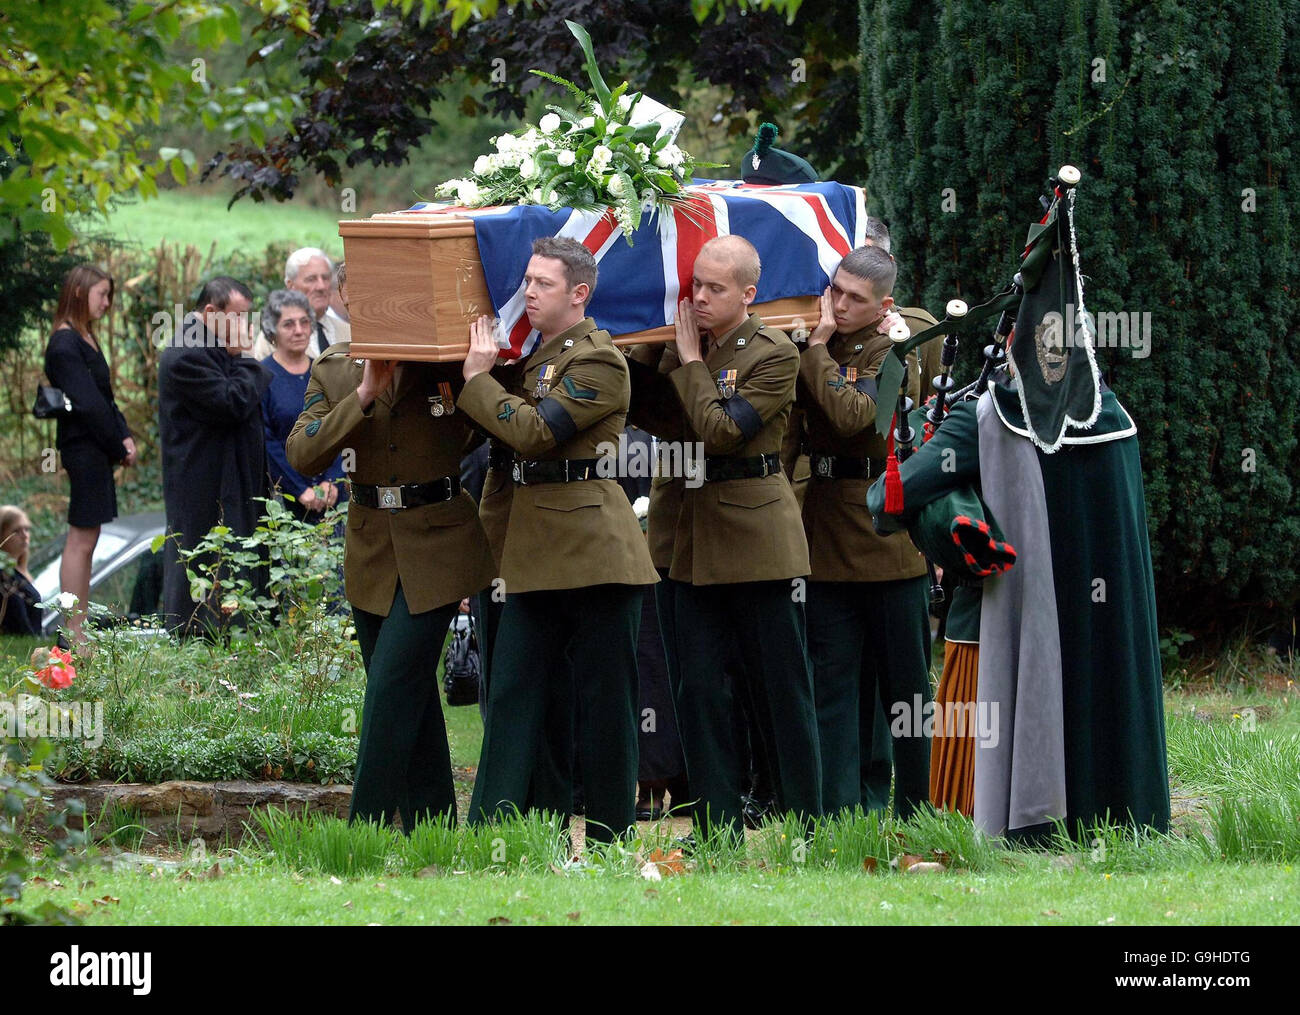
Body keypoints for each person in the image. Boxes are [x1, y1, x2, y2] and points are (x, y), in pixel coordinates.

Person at [868, 205, 1170, 840]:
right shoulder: (1116, 420)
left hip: (997, 623)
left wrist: (921, 443)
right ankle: (1115, 814)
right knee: (1102, 689)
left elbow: (888, 500)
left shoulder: (990, 417)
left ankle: (1018, 820)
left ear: (1013, 338)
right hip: (1102, 619)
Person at [458, 235, 658, 844]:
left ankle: (608, 836)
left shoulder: (600, 359)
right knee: (516, 694)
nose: (529, 293)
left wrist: (477, 380)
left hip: (596, 551)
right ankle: (501, 830)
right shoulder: (535, 360)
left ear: (579, 293)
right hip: (534, 548)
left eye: (542, 284)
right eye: (526, 281)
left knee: (606, 704)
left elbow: (539, 432)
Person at [626, 235, 822, 838]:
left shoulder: (772, 352)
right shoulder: (683, 344)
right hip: (688, 537)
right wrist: (650, 351)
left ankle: (809, 819)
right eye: (696, 285)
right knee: (701, 690)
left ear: (748, 293)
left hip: (753, 537)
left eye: (715, 288)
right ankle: (716, 825)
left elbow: (720, 432)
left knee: (778, 687)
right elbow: (653, 414)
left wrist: (687, 360)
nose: (701, 297)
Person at [287, 329, 494, 831]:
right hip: (372, 549)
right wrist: (362, 396)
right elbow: (302, 454)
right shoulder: (334, 368)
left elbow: (477, 431)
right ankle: (435, 830)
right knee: (412, 694)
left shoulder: (443, 362)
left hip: (440, 543)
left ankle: (365, 831)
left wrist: (477, 374)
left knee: (390, 685)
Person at [784, 244, 933, 819]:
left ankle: (917, 809)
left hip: (887, 537)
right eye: (835, 291)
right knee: (832, 688)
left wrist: (817, 349)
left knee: (907, 691)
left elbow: (859, 418)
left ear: (884, 305)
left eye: (855, 299)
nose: (839, 305)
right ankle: (838, 814)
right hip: (825, 533)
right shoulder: (814, 343)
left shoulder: (897, 349)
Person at [157, 276, 271, 636]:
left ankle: (238, 632)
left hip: (229, 480)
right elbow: (232, 401)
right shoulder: (185, 354)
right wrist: (247, 359)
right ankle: (199, 637)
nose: (245, 326)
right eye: (238, 316)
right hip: (203, 486)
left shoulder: (213, 348)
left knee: (234, 561)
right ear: (210, 312)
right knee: (202, 563)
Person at [42, 264, 137, 644]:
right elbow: (88, 404)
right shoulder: (65, 343)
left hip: (97, 447)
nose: (107, 302)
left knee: (89, 535)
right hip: (83, 448)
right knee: (81, 537)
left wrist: (124, 435)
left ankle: (77, 628)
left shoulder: (86, 337)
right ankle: (72, 630)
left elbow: (106, 398)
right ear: (79, 293)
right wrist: (119, 445)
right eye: (102, 294)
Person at [258, 289, 347, 522]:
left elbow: (343, 426)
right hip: (288, 500)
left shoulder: (327, 370)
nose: (298, 330)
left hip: (336, 496)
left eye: (304, 322)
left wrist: (333, 481)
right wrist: (298, 489)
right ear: (272, 330)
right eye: (288, 324)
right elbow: (268, 442)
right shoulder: (262, 377)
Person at [252, 248, 350, 360]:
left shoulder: (349, 332)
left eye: (325, 278)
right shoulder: (274, 337)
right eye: (311, 279)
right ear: (290, 286)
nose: (321, 286)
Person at [0, 506, 42, 636]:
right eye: (16, 531)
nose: (24, 535)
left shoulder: (21, 573)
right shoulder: (3, 578)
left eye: (27, 529)